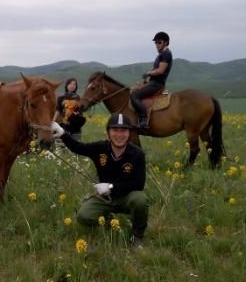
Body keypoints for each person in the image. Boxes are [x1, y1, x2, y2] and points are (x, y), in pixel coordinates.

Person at [52, 113, 149, 247]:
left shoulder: (137, 154)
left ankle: (137, 234)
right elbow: (78, 148)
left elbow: (138, 184)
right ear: (108, 132)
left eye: (123, 130)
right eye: (115, 130)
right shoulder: (100, 148)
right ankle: (110, 222)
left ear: (129, 133)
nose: (119, 135)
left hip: (127, 197)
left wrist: (110, 187)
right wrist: (62, 133)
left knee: (140, 199)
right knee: (83, 216)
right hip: (104, 198)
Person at [131, 31, 173, 128]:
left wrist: (148, 73)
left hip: (157, 84)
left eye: (159, 42)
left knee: (134, 95)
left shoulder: (166, 54)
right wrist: (146, 81)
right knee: (135, 89)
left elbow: (161, 71)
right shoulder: (162, 54)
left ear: (166, 42)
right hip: (154, 82)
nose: (157, 45)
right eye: (156, 42)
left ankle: (143, 120)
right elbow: (156, 70)